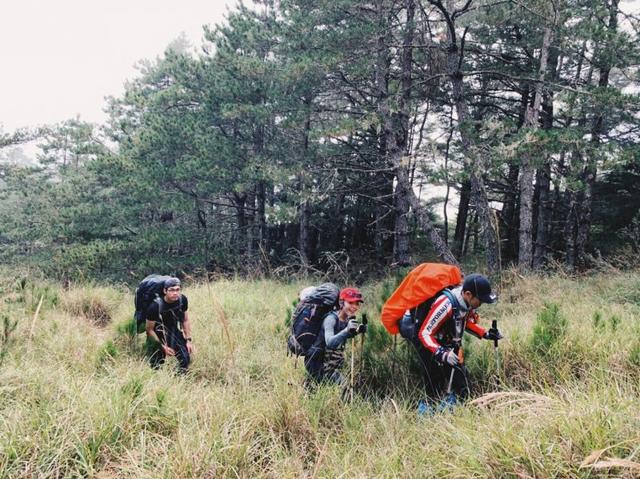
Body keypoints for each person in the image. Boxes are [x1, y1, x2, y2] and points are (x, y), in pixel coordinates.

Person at [402, 273, 501, 403]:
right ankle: (428, 413)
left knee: (463, 384)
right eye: (480, 299)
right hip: (427, 341)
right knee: (434, 382)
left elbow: (463, 322)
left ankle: (457, 408)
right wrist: (442, 353)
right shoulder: (446, 304)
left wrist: (486, 333)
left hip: (447, 340)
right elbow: (425, 333)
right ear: (468, 294)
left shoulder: (465, 303)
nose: (481, 303)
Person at [304, 287, 366, 387]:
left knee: (318, 389)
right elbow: (330, 342)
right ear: (341, 303)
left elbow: (340, 335)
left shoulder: (346, 319)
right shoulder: (331, 319)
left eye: (357, 303)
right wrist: (346, 331)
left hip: (329, 363)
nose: (354, 307)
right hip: (316, 361)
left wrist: (357, 331)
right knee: (344, 386)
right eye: (350, 303)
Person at [145, 277, 194, 373]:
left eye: (177, 290)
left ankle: (180, 380)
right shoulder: (155, 306)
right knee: (156, 366)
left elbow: (185, 320)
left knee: (185, 358)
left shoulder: (182, 300)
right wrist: (163, 347)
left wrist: (188, 340)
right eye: (171, 290)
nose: (175, 293)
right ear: (165, 291)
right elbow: (149, 330)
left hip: (173, 330)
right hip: (157, 333)